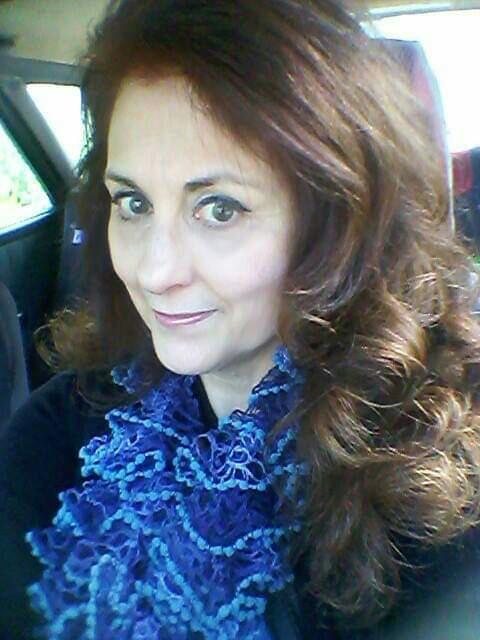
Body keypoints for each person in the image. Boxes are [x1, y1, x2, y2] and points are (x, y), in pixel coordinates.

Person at [2, 0, 480, 638]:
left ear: (335, 223)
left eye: (220, 209)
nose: (154, 271)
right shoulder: (63, 428)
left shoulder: (439, 486)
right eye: (133, 203)